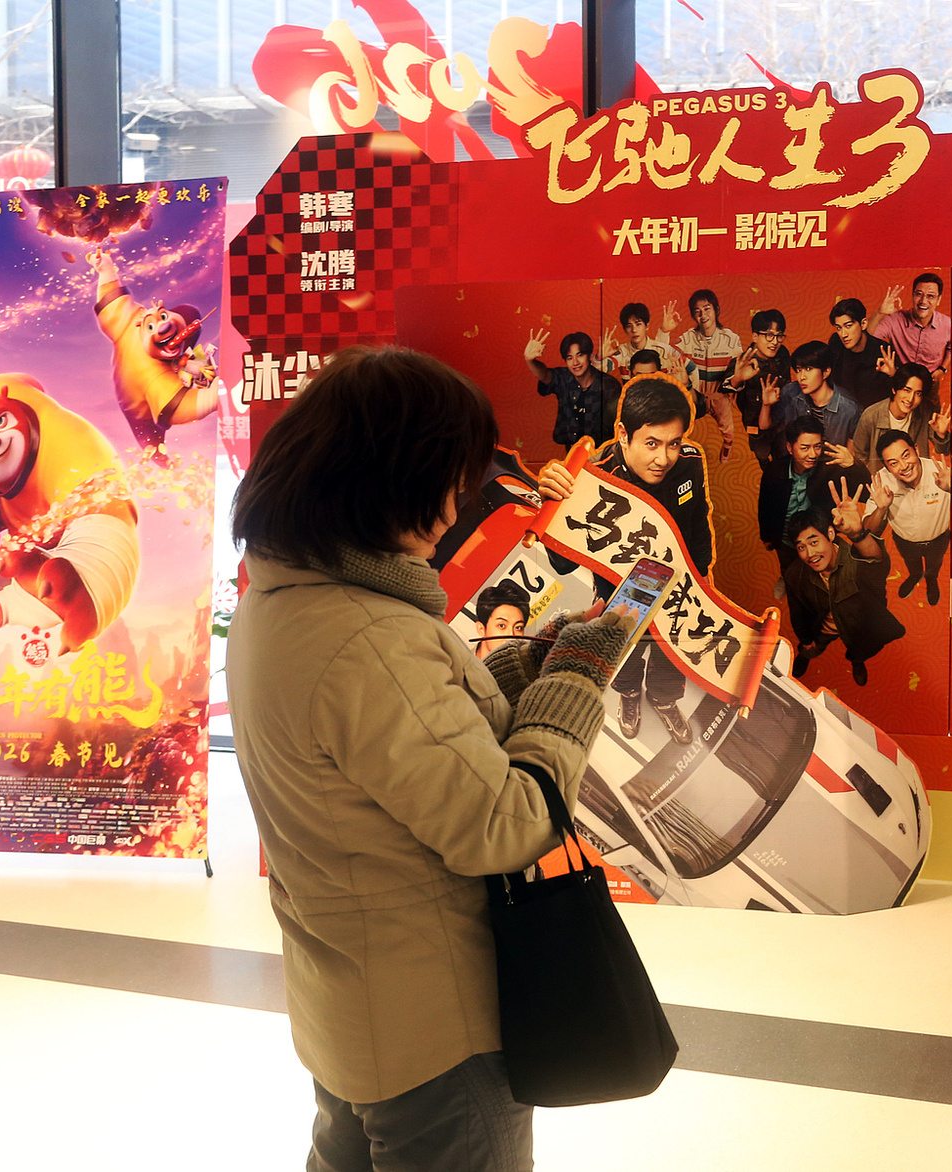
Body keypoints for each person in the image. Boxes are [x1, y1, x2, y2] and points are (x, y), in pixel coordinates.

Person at [228, 346, 624, 1171]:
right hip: (436, 1027)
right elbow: (504, 824)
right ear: (387, 479)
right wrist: (577, 681)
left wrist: (522, 666)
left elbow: (395, 744)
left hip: (354, 1005)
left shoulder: (284, 599)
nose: (456, 505)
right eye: (448, 479)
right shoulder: (371, 635)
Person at [596, 377, 715, 745]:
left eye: (673, 443)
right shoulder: (598, 476)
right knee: (627, 653)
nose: (663, 459)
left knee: (671, 651)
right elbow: (564, 562)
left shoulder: (690, 462)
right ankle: (629, 694)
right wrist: (555, 501)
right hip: (623, 589)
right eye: (651, 444)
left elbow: (698, 520)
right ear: (623, 434)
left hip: (680, 582)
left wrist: (701, 576)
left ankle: (664, 699)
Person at [86, 246, 220, 453]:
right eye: (154, 325)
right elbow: (179, 408)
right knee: (151, 443)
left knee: (191, 318)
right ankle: (159, 457)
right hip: (135, 406)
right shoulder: (153, 375)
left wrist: (105, 268)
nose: (163, 326)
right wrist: (214, 396)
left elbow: (112, 297)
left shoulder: (131, 318)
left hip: (169, 371)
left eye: (164, 317)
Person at [783, 488, 906, 685]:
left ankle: (857, 662)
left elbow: (875, 561)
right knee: (812, 647)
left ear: (830, 534)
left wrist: (857, 534)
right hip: (824, 628)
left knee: (860, 650)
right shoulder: (794, 574)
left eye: (814, 542)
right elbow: (797, 612)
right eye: (801, 547)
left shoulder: (856, 561)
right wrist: (805, 639)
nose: (809, 554)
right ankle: (806, 655)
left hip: (859, 628)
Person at [866, 431, 952, 607]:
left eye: (906, 455)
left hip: (938, 540)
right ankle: (915, 575)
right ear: (885, 466)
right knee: (912, 564)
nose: (904, 466)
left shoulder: (940, 472)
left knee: (934, 566)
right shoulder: (881, 481)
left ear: (916, 449)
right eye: (893, 463)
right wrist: (881, 509)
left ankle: (931, 581)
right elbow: (867, 531)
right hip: (904, 541)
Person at [672, 288, 744, 458]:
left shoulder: (731, 339)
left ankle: (727, 448)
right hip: (696, 395)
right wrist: (665, 331)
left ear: (716, 310)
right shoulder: (688, 338)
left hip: (719, 395)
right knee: (681, 427)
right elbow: (666, 354)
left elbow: (738, 370)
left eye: (707, 309)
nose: (703, 315)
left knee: (728, 431)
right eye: (697, 311)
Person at [758, 417, 834, 571]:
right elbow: (765, 506)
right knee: (791, 575)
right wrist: (766, 536)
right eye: (805, 448)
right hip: (786, 542)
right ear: (790, 448)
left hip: (819, 543)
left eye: (817, 447)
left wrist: (852, 463)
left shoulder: (828, 470)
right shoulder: (774, 471)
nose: (813, 454)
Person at [762, 339, 862, 456]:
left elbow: (851, 455)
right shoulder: (790, 392)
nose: (802, 377)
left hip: (830, 464)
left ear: (826, 372)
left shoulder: (850, 409)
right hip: (797, 462)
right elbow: (764, 425)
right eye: (799, 370)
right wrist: (766, 405)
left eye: (808, 369)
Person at [523, 329, 617, 451]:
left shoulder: (609, 385)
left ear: (589, 355)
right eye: (569, 358)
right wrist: (530, 360)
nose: (575, 362)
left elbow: (618, 427)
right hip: (572, 451)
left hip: (602, 452)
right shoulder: (564, 378)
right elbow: (545, 376)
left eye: (580, 355)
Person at [853, 363, 952, 476]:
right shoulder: (871, 415)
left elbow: (944, 450)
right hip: (883, 480)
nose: (910, 399)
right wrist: (875, 476)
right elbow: (860, 454)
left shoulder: (926, 412)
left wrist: (941, 434)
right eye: (907, 390)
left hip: (915, 477)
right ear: (894, 389)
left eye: (918, 393)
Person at [870, 272, 952, 376]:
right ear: (912, 296)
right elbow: (867, 337)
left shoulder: (948, 324)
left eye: (930, 296)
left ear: (938, 300)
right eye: (919, 294)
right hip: (899, 379)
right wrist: (879, 313)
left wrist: (942, 369)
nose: (923, 301)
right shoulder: (894, 320)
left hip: (930, 380)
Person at [726, 308, 791, 436]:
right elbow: (725, 389)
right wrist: (737, 379)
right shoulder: (742, 362)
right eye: (769, 335)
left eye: (779, 336)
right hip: (755, 427)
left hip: (782, 423)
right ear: (755, 336)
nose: (775, 342)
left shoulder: (783, 353)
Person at [828, 296, 898, 406]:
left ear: (863, 324)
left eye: (848, 326)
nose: (843, 334)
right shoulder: (835, 343)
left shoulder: (884, 351)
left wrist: (893, 375)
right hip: (843, 410)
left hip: (873, 412)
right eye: (839, 328)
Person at [601, 301, 676, 381]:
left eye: (638, 324)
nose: (634, 330)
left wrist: (664, 332)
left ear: (647, 326)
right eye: (629, 326)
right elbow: (598, 371)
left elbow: (683, 366)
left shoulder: (662, 349)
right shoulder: (622, 352)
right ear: (625, 330)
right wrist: (599, 358)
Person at [469, 580, 531, 660]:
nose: (511, 637)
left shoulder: (529, 666)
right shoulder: (459, 666)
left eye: (518, 628)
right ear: (481, 629)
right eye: (502, 626)